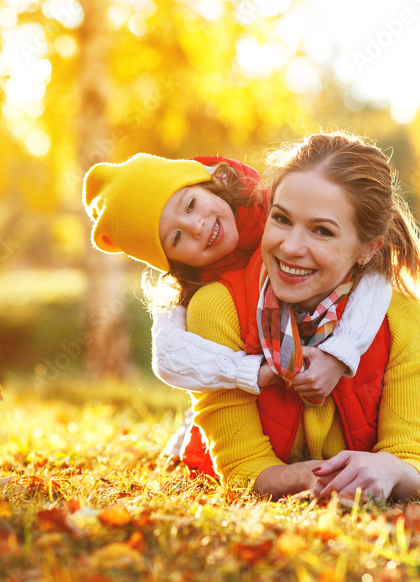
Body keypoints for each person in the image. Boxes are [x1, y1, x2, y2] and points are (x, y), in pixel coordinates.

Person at [183, 131, 420, 501]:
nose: (290, 248)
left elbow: (414, 460)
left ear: (367, 249)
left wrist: (388, 468)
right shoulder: (217, 307)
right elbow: (242, 468)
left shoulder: (399, 313)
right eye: (282, 219)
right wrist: (312, 478)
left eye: (322, 231)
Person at [83, 153, 395, 405]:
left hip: (345, 356)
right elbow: (167, 355)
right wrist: (245, 371)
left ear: (209, 183)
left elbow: (376, 274)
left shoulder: (278, 212)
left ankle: (418, 385)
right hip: (269, 395)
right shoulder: (188, 289)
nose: (197, 227)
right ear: (173, 263)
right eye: (176, 237)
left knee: (411, 380)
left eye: (191, 204)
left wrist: (338, 355)